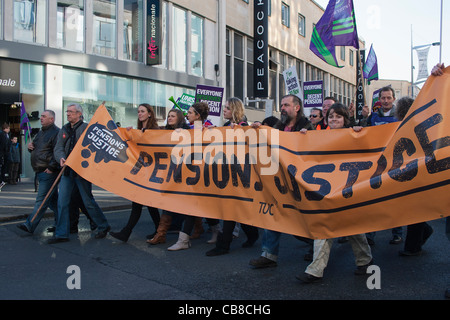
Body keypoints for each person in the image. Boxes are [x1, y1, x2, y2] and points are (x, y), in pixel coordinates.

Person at [296, 103, 373, 283]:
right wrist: (301, 138)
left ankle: (365, 261)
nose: (334, 120)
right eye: (331, 116)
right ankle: (316, 269)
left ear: (345, 119)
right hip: (329, 189)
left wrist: (361, 132)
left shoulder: (355, 134)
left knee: (352, 226)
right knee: (326, 224)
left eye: (338, 117)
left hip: (349, 188)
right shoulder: (320, 135)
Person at [249, 94, 314, 268]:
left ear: (297, 107)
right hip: (278, 180)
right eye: (282, 105)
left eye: (286, 104)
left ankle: (316, 246)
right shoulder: (278, 127)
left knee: (304, 218)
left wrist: (306, 137)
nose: (283, 108)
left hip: (300, 181)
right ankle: (268, 254)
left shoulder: (307, 127)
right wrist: (258, 129)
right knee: (273, 213)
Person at [48, 103, 110, 244]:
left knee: (88, 202)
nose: (68, 114)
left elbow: (93, 149)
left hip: (82, 172)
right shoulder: (64, 129)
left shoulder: (87, 128)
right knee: (62, 202)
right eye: (67, 111)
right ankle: (61, 234)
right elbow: (58, 148)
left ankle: (103, 225)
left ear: (78, 114)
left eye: (71, 112)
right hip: (67, 172)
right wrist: (61, 158)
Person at [205, 97, 259, 256]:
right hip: (227, 170)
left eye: (227, 108)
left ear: (235, 110)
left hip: (240, 173)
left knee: (231, 208)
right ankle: (252, 234)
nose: (224, 110)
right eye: (224, 108)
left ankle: (224, 246)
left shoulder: (244, 126)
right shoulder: (225, 126)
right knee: (235, 208)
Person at [167, 102, 219, 251]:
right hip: (192, 172)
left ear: (197, 116)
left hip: (204, 172)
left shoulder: (209, 129)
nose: (187, 115)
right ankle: (216, 231)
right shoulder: (188, 129)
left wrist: (211, 131)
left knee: (194, 205)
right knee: (199, 204)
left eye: (190, 113)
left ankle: (184, 240)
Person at [110, 103, 161, 242]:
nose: (139, 113)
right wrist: (129, 134)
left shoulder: (155, 130)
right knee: (146, 204)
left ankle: (127, 232)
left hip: (151, 172)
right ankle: (158, 230)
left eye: (142, 111)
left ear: (149, 113)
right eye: (138, 111)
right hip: (142, 172)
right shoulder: (139, 129)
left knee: (143, 203)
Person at [394, 96, 434, 256]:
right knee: (413, 209)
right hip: (418, 171)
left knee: (413, 210)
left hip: (409, 172)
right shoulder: (420, 125)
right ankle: (422, 234)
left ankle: (412, 246)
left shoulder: (403, 127)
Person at [365, 86, 403, 245]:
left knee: (395, 200)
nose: (386, 101)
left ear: (393, 99)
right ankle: (370, 235)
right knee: (373, 200)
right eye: (383, 98)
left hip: (396, 163)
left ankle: (397, 233)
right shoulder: (372, 118)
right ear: (379, 100)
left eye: (389, 98)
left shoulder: (401, 116)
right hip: (377, 164)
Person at [147, 108, 190, 245]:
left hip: (184, 172)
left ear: (179, 118)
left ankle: (197, 229)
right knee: (170, 201)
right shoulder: (165, 131)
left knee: (185, 204)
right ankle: (161, 234)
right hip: (171, 172)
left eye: (172, 116)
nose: (170, 118)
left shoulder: (187, 131)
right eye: (168, 116)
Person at [17, 110, 60, 234]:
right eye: (41, 116)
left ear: (51, 119)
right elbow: (36, 149)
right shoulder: (41, 132)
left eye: (44, 116)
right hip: (40, 170)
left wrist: (51, 167)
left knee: (41, 200)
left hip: (48, 172)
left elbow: (57, 152)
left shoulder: (56, 133)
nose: (41, 118)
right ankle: (61, 224)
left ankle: (30, 224)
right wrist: (30, 148)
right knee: (53, 201)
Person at [0, 123, 11, 190]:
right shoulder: (3, 135)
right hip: (3, 154)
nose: (9, 130)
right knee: (2, 168)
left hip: (4, 154)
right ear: (6, 128)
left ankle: (2, 180)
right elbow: (3, 145)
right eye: (8, 128)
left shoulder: (6, 135)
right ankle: (1, 181)